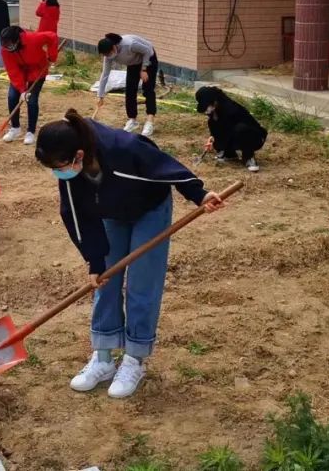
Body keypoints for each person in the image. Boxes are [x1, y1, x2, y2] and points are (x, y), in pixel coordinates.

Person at [34, 109, 226, 398]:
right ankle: (103, 357)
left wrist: (199, 194)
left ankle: (134, 358)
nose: (58, 172)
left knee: (141, 281)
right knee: (105, 280)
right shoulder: (70, 172)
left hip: (149, 210)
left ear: (79, 155)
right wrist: (94, 261)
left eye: (60, 165)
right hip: (112, 213)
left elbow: (165, 166)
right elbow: (76, 215)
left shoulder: (121, 149)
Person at [0, 25, 58, 145]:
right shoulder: (5, 50)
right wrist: (22, 90)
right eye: (6, 45)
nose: (8, 47)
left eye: (10, 44)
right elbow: (13, 70)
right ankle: (15, 128)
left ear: (17, 40)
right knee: (12, 96)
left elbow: (52, 36)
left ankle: (31, 131)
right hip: (20, 72)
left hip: (38, 70)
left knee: (31, 100)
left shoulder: (33, 38)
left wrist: (52, 56)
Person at [96, 33, 159, 137]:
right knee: (130, 90)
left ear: (114, 47)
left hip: (148, 59)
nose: (108, 56)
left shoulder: (129, 44)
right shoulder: (108, 56)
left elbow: (148, 50)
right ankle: (132, 120)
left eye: (108, 53)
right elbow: (105, 74)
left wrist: (144, 69)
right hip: (133, 63)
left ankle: (150, 122)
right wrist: (100, 95)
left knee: (148, 89)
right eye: (105, 55)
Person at [194, 86, 268, 172]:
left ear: (214, 102)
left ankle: (249, 157)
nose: (206, 110)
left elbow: (228, 129)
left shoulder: (231, 109)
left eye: (207, 106)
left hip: (255, 137)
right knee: (215, 126)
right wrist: (213, 138)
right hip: (234, 133)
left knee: (241, 129)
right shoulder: (216, 109)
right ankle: (229, 154)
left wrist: (221, 140)